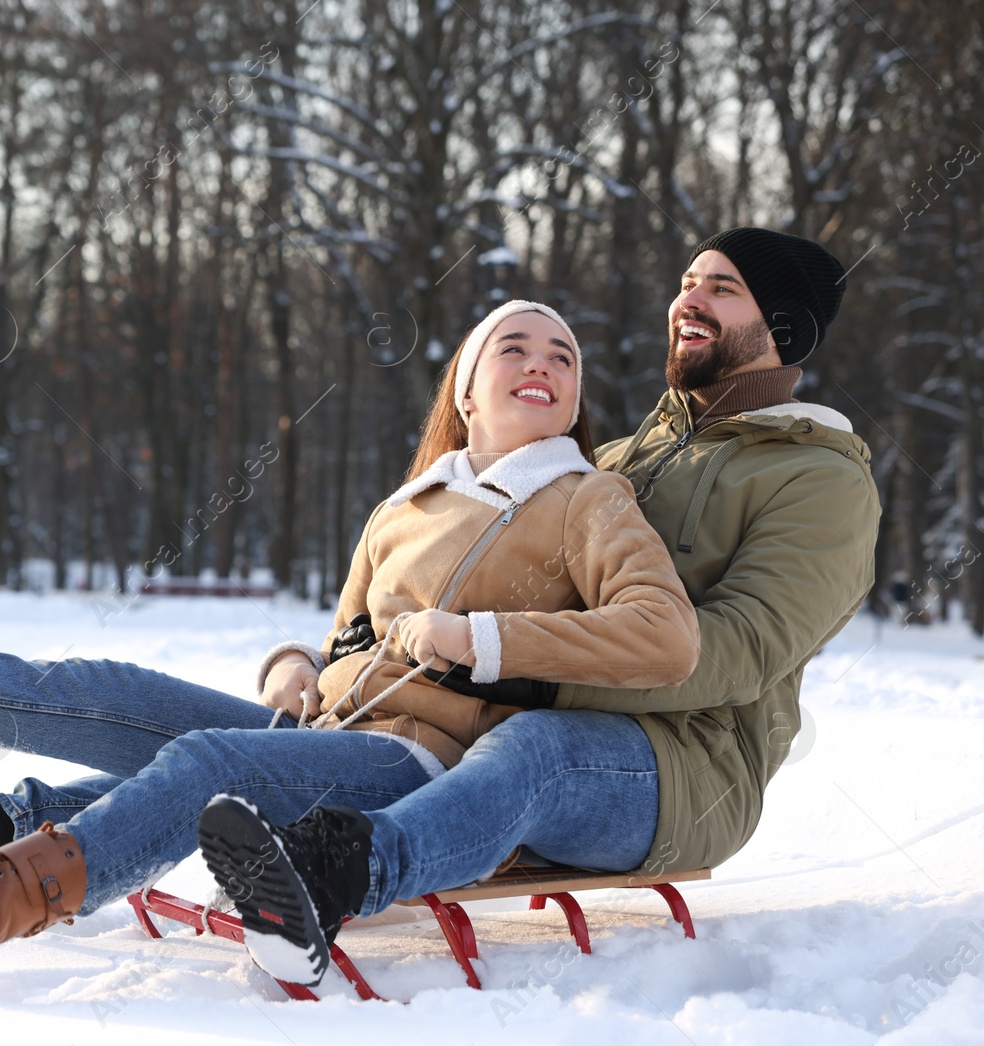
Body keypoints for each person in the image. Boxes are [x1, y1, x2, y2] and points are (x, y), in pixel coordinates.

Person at [0, 300, 703, 990]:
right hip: (333, 725)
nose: (542, 362)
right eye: (515, 348)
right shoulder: (408, 506)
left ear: (574, 402)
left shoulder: (585, 498)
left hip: (421, 760)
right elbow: (343, 639)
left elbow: (665, 636)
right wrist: (293, 666)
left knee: (204, 763)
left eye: (563, 356)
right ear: (468, 390)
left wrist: (476, 636)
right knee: (105, 685)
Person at [201, 226, 881, 983]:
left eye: (722, 288)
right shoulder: (620, 459)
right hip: (508, 727)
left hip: (685, 769)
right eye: (688, 280)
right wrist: (359, 648)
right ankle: (72, 825)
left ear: (783, 328)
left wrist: (522, 673)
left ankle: (330, 878)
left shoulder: (822, 483)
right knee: (242, 733)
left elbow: (737, 650)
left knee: (538, 754)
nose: (686, 299)